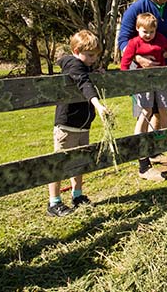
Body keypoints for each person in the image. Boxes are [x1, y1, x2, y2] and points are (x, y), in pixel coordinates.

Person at [117, 0, 167, 180]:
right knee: (145, 113)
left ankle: (154, 151)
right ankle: (143, 164)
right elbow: (123, 42)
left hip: (164, 70)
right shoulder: (137, 8)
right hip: (141, 71)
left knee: (161, 111)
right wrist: (138, 59)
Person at [47, 30, 108, 217]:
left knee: (79, 162)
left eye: (95, 56)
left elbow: (86, 75)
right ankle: (54, 202)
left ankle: (77, 195)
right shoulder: (73, 64)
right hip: (67, 126)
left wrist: (95, 72)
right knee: (60, 162)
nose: (93, 59)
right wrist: (97, 104)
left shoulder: (82, 65)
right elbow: (83, 83)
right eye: (90, 56)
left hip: (82, 126)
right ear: (76, 50)